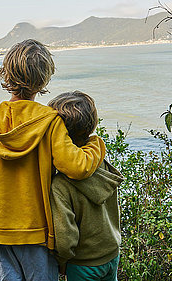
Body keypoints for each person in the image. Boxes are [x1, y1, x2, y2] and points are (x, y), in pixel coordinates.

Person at [0, 39, 106, 281]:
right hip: (35, 231)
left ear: (6, 73)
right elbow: (77, 167)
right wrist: (96, 144)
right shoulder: (49, 120)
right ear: (44, 79)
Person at [48, 91, 123, 281]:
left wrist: (62, 262)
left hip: (83, 264)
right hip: (112, 254)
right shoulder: (101, 161)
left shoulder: (61, 184)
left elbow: (65, 238)